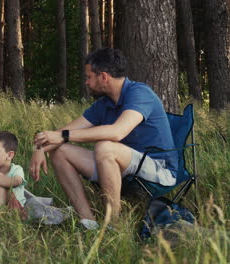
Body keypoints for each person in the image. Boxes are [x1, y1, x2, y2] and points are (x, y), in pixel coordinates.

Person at [30, 48, 178, 229]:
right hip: (121, 165)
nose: (86, 82)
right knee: (59, 150)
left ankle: (113, 225)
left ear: (104, 77)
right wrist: (39, 149)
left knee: (105, 147)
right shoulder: (103, 104)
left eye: (89, 77)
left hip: (158, 169)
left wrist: (63, 136)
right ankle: (88, 223)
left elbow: (118, 132)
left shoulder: (140, 93)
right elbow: (62, 133)